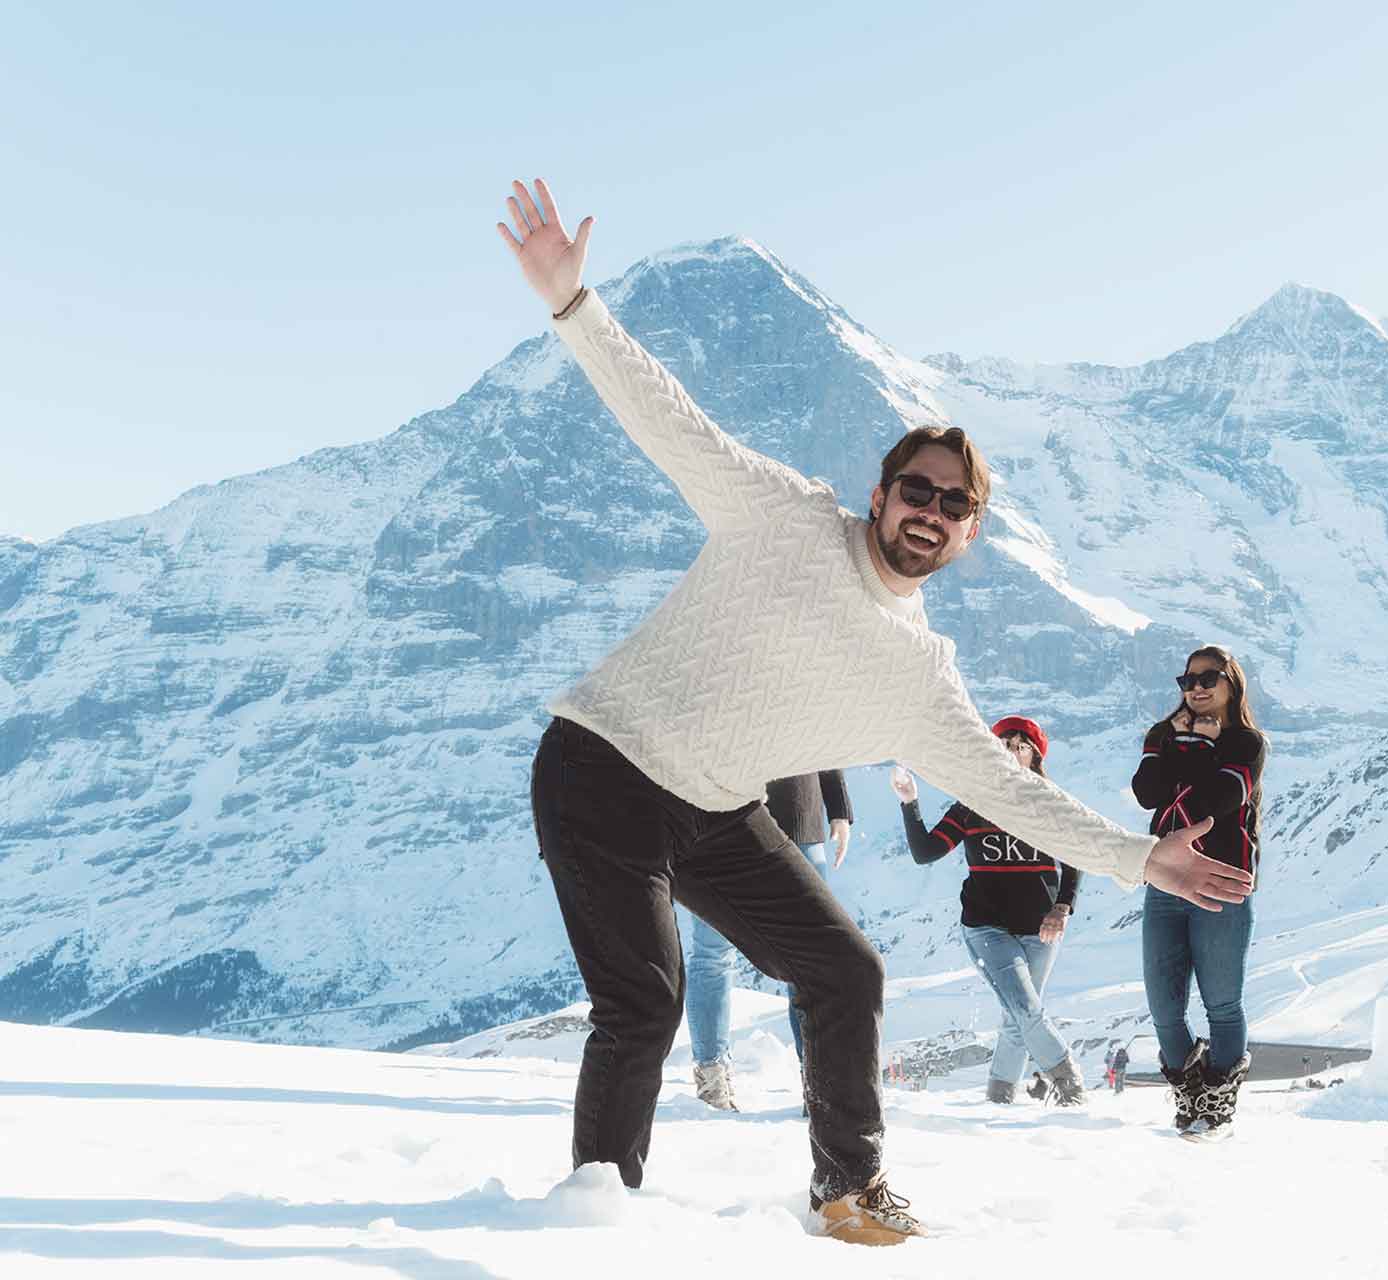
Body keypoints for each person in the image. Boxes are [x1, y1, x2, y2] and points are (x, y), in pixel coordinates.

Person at [500, 179, 1249, 1246]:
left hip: (710, 805)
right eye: (917, 488)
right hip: (603, 764)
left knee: (845, 967)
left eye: (954, 503)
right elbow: (668, 419)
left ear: (971, 532)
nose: (930, 511)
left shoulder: (922, 673)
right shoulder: (784, 515)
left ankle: (848, 1186)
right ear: (881, 489)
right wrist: (574, 304)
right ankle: (592, 1222)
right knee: (647, 1003)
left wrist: (1140, 859)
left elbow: (1004, 790)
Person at [891, 717, 1085, 1107]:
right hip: (986, 926)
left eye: (1020, 745)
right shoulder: (971, 804)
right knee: (1026, 1007)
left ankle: (999, 1098)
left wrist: (1063, 907)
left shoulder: (1051, 805)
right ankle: (1068, 1080)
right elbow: (925, 852)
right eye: (1004, 744)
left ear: (1035, 756)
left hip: (1041, 928)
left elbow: (1077, 857)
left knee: (1017, 1017)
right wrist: (910, 802)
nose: (1011, 751)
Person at [1131, 645, 1267, 1140]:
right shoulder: (1160, 736)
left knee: (1222, 1002)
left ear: (1232, 682)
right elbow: (1148, 792)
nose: (1197, 688)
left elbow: (1221, 800)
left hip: (1223, 882)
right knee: (1164, 1008)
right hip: (1165, 883)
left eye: (1209, 677)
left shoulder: (1248, 743)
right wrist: (1191, 747)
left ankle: (1215, 1104)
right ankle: (1190, 1094)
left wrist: (1197, 753)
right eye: (1187, 680)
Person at [684, 770, 853, 1112]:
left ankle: (818, 1080)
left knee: (809, 959)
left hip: (797, 811)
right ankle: (712, 1077)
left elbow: (824, 719)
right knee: (712, 954)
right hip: (715, 813)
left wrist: (838, 806)